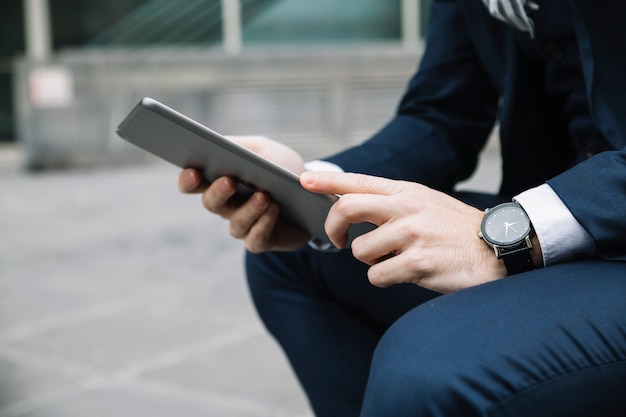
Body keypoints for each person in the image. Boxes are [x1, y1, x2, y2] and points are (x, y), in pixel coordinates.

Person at [179, 0, 626, 415]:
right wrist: (313, 186)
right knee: (305, 252)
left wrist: (508, 234)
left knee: (427, 363)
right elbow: (441, 116)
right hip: (558, 230)